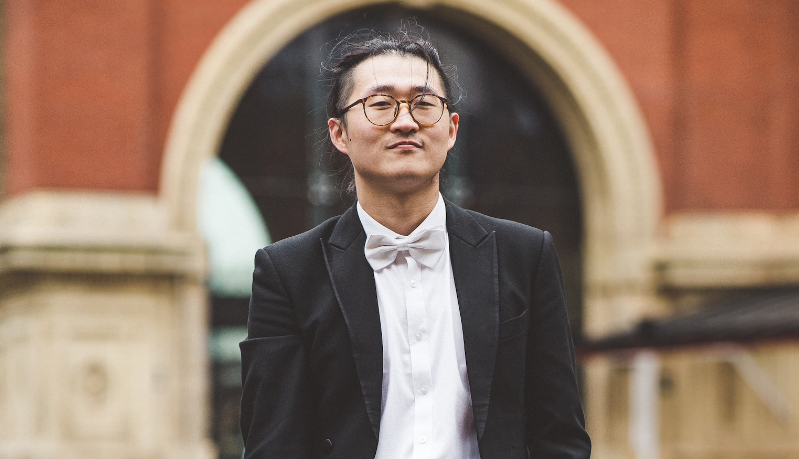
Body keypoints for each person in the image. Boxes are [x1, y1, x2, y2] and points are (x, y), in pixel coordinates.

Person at [239, 28, 591, 459]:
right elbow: (274, 445)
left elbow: (560, 434)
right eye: (380, 104)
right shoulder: (288, 272)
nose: (405, 121)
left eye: (424, 104)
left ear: (451, 129)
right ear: (339, 134)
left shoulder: (524, 255)